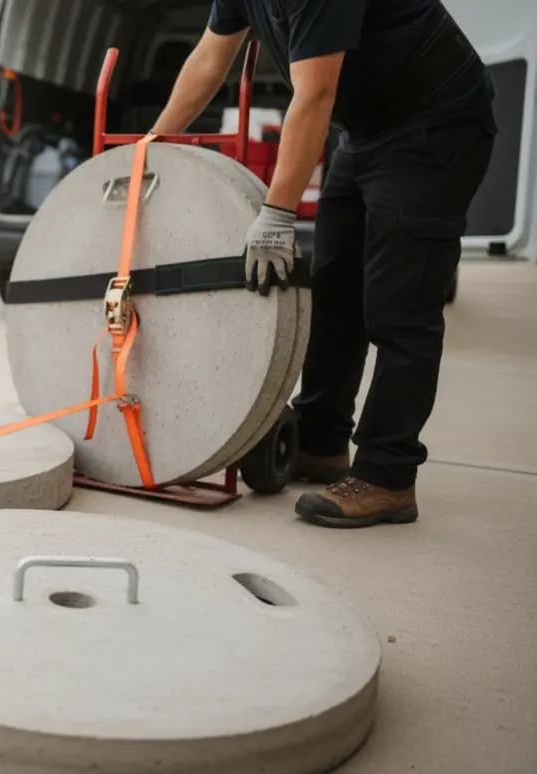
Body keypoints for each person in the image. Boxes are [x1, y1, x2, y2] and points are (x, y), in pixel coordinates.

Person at [150, 0, 496, 528]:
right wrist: (152, 147)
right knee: (335, 292)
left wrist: (276, 215)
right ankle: (320, 440)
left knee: (400, 309)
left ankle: (387, 476)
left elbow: (314, 94)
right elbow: (209, 57)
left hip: (434, 123)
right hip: (365, 130)